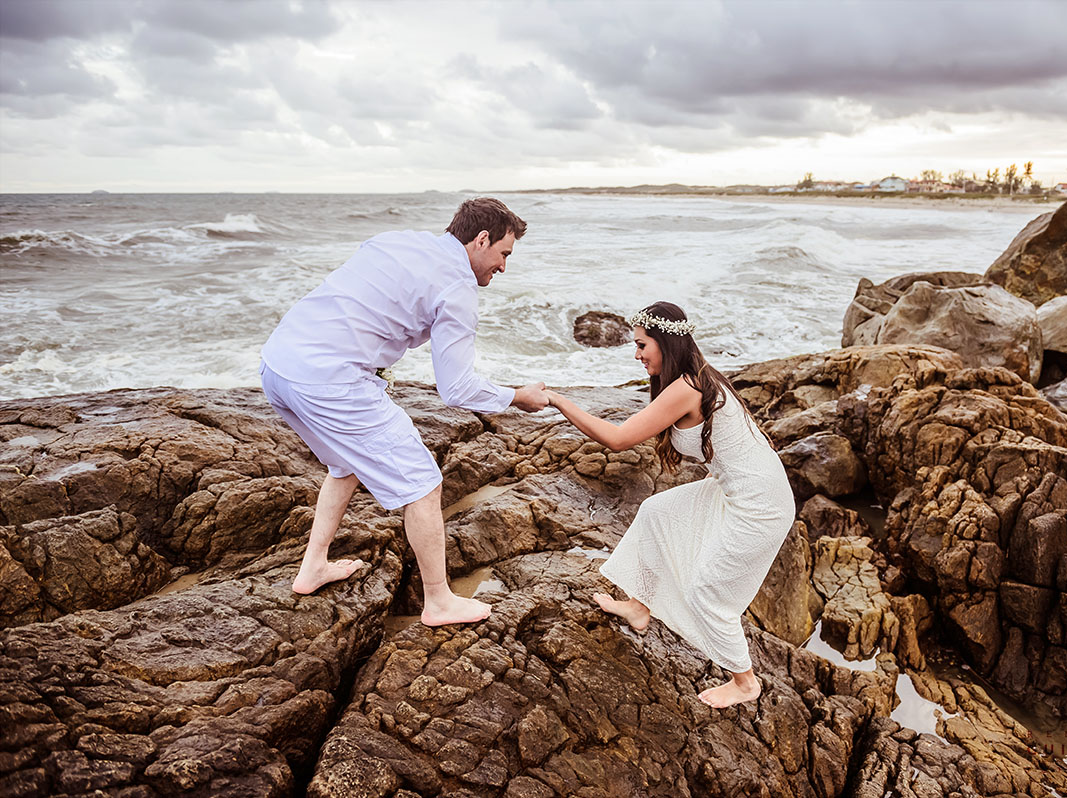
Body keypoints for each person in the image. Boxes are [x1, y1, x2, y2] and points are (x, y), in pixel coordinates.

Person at [260, 197, 548, 626]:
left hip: (277, 365)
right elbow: (456, 388)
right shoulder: (457, 289)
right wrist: (516, 396)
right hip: (331, 381)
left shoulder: (395, 240)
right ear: (481, 239)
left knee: (344, 466)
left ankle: (313, 566)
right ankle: (439, 602)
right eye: (503, 253)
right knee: (423, 485)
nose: (504, 267)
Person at [545, 302, 793, 708]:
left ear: (666, 343)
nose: (637, 354)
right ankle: (639, 607)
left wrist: (558, 400)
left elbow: (618, 439)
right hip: (739, 487)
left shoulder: (688, 387)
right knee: (657, 513)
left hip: (761, 503)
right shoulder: (697, 377)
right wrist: (723, 476)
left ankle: (746, 682)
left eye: (642, 345)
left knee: (706, 590)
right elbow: (736, 442)